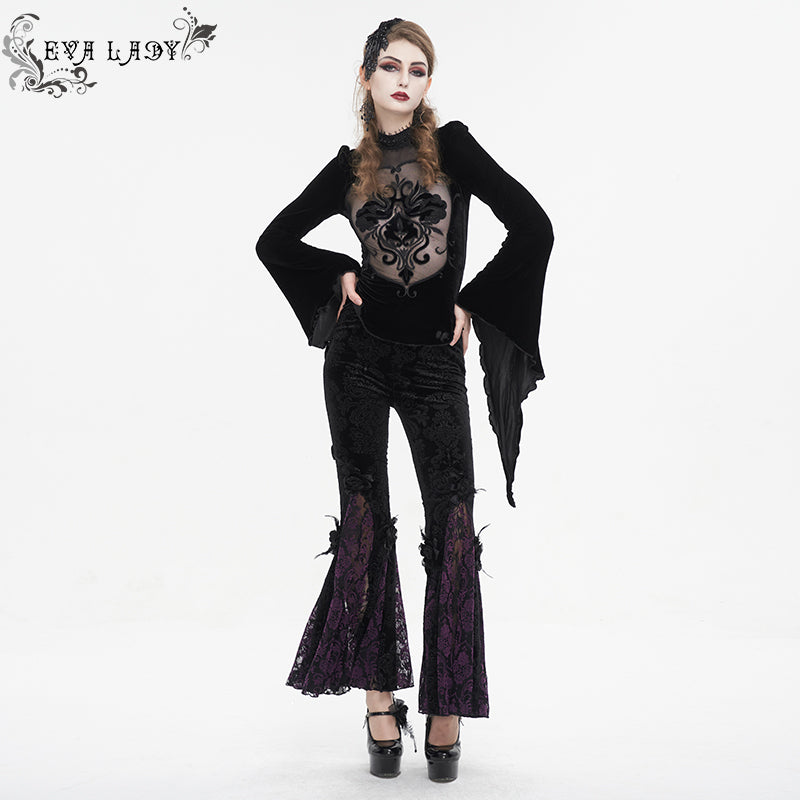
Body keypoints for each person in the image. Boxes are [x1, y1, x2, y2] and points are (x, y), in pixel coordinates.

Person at [255, 18, 554, 782]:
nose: (404, 80)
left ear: (427, 83)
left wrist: (473, 301)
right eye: (391, 66)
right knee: (365, 522)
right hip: (357, 361)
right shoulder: (347, 167)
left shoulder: (453, 148)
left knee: (452, 525)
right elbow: (274, 242)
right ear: (366, 76)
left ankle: (446, 705)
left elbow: (533, 227)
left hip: (432, 365)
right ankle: (378, 703)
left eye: (418, 70)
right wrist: (338, 273)